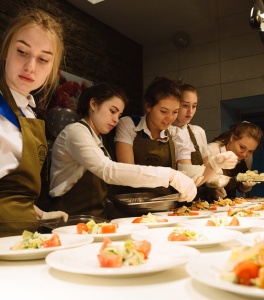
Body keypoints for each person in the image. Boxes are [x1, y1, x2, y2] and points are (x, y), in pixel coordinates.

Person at [49, 82, 197, 218]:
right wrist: (170, 175)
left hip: (92, 217)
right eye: (112, 111)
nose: (116, 120)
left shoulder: (96, 137)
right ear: (93, 104)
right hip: (69, 216)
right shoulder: (76, 132)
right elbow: (108, 171)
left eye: (119, 115)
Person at [0, 8, 68, 237]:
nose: (30, 66)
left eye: (42, 59)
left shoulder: (28, 113)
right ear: (5, 52)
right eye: (22, 52)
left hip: (22, 241)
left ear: (51, 70)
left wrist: (34, 212)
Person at [114, 76, 237, 196]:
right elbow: (127, 172)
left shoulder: (177, 134)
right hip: (132, 202)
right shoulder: (128, 124)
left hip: (166, 205)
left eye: (175, 112)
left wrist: (214, 165)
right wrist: (170, 176)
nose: (170, 118)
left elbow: (190, 179)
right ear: (148, 106)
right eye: (163, 111)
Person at [172, 82, 238, 188]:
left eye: (194, 106)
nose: (190, 111)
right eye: (185, 105)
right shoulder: (167, 132)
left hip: (197, 192)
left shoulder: (197, 132)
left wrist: (214, 184)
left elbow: (206, 163)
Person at [200, 121, 264, 201]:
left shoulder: (246, 158)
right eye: (242, 147)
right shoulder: (210, 151)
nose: (244, 154)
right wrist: (211, 187)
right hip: (204, 204)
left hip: (229, 204)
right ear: (232, 138)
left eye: (250, 151)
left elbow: (239, 187)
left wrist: (246, 185)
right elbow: (196, 181)